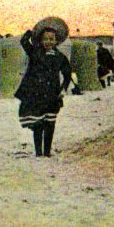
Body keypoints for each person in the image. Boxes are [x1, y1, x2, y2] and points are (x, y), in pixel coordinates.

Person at [15, 19, 72, 157]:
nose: (48, 42)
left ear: (56, 41)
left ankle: (47, 152)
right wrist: (32, 32)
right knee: (38, 124)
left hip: (52, 95)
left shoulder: (60, 57)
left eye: (51, 39)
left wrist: (63, 89)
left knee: (50, 124)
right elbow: (24, 42)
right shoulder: (35, 53)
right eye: (45, 39)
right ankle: (38, 153)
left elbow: (67, 74)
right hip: (36, 95)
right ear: (40, 41)